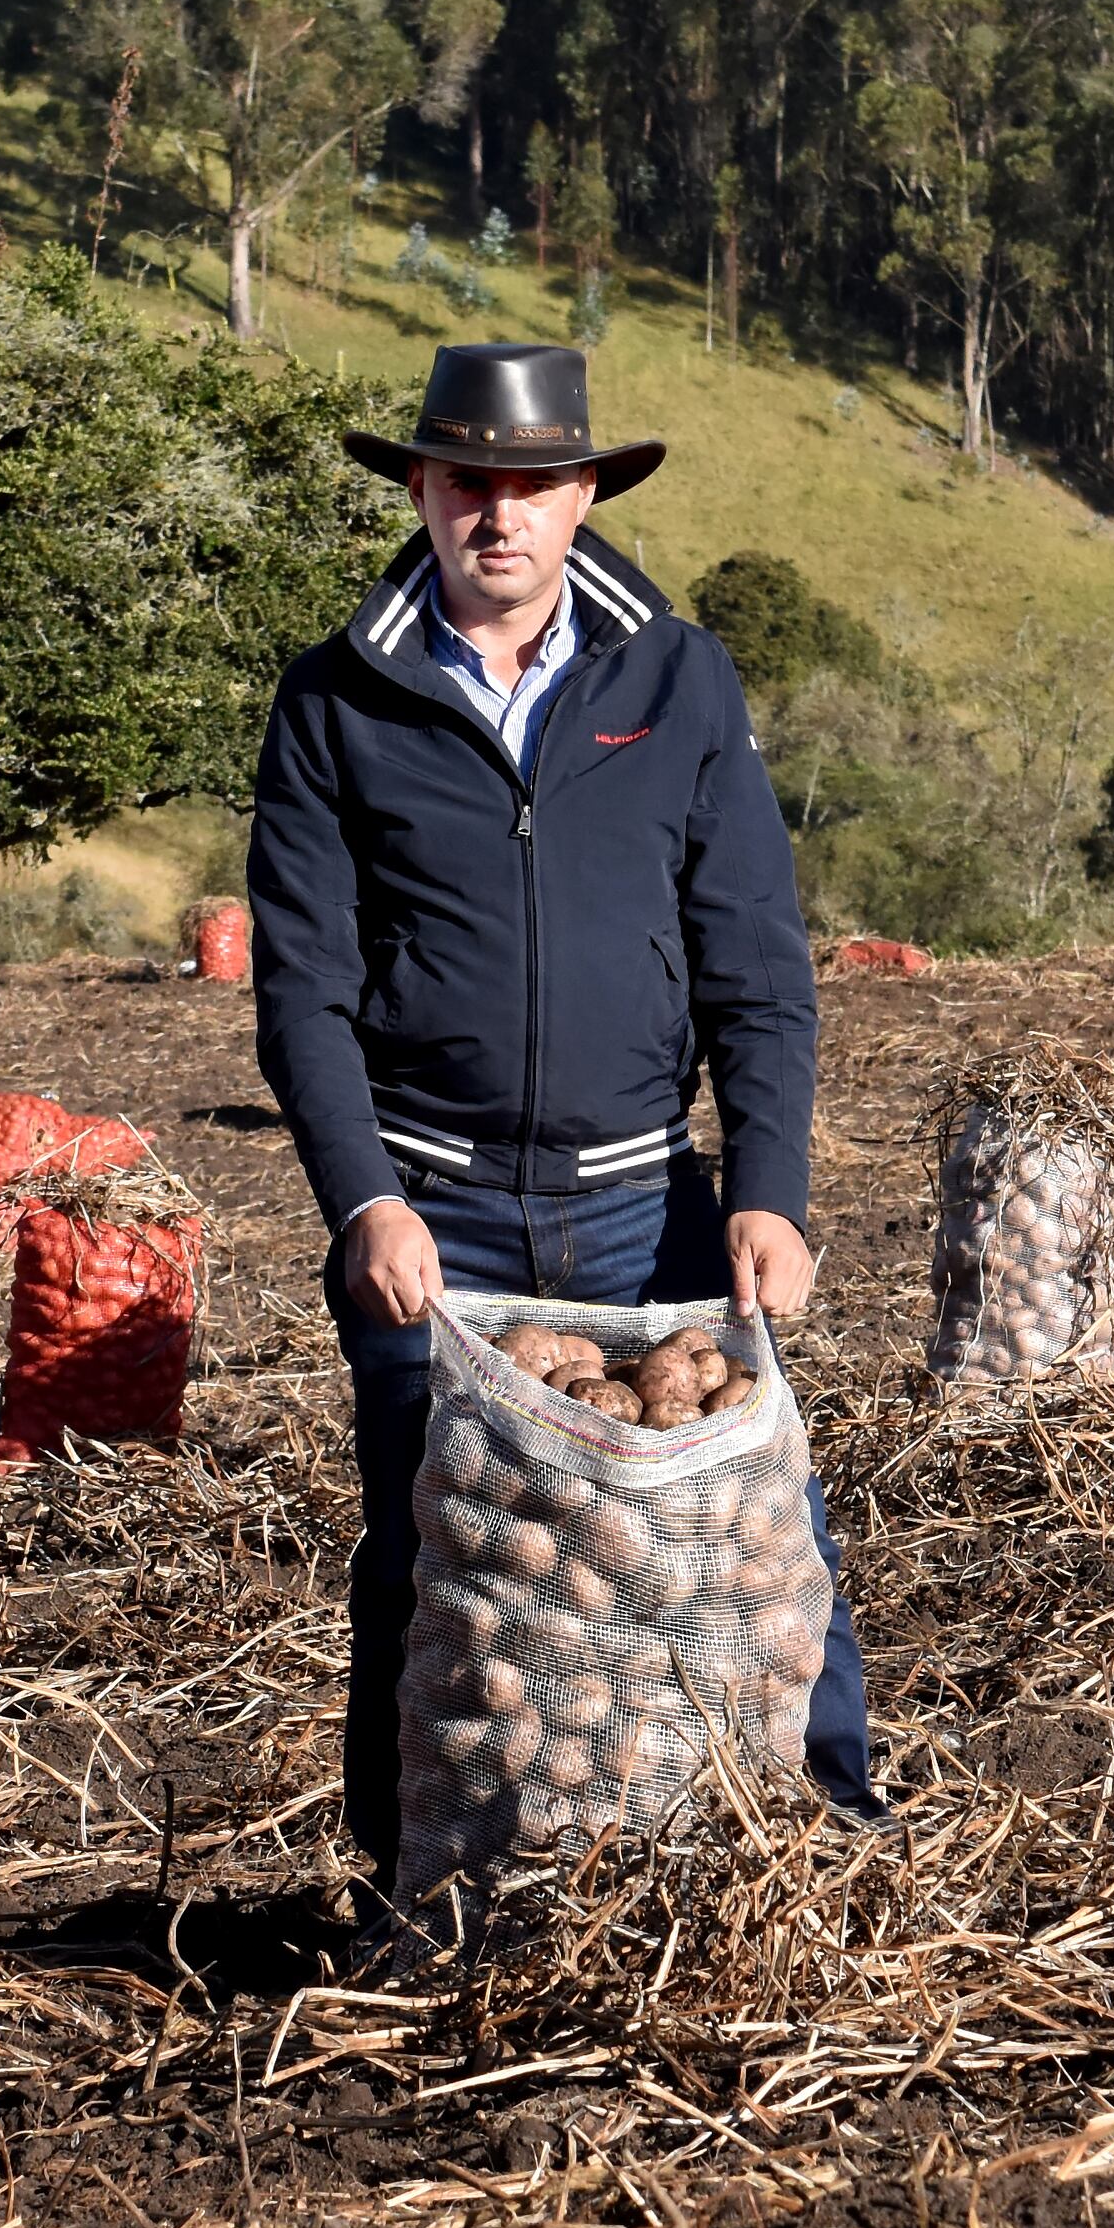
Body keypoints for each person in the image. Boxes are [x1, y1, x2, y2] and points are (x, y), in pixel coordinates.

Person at [246, 341, 878, 1919]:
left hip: (643, 1209)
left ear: (586, 492)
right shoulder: (336, 703)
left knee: (745, 1512)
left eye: (532, 485)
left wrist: (772, 1188)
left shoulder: (677, 682)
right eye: (468, 483)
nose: (499, 516)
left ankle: (826, 1827)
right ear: (421, 489)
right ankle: (421, 1876)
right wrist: (359, 1202)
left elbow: (759, 969)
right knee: (430, 1538)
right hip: (433, 1223)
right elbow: (302, 996)